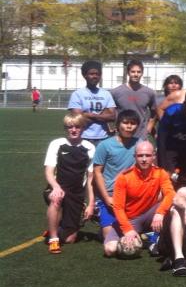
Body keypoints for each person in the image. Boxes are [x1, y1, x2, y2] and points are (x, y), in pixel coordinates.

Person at [104, 140, 176, 258]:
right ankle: (147, 238)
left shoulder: (160, 173)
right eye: (140, 155)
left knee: (174, 207)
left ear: (153, 156)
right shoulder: (124, 177)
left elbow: (171, 194)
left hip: (150, 214)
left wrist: (160, 213)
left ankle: (159, 238)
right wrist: (128, 230)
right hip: (130, 219)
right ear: (135, 157)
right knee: (110, 250)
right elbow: (118, 207)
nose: (144, 159)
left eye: (147, 155)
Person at [43, 113, 97, 253]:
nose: (73, 130)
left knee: (70, 239)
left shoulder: (90, 148)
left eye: (77, 127)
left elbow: (91, 178)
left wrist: (91, 203)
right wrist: (55, 187)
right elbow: (49, 171)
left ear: (83, 128)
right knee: (56, 198)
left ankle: (54, 228)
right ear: (65, 128)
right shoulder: (57, 144)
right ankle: (53, 239)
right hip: (57, 188)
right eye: (69, 127)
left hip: (76, 193)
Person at [92, 110, 141, 251]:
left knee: (129, 236)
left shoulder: (140, 144)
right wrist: (106, 197)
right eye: (125, 123)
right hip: (110, 197)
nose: (129, 126)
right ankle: (102, 222)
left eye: (133, 123)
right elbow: (97, 172)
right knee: (110, 243)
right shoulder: (105, 145)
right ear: (118, 125)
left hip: (131, 198)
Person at [68, 60, 116, 144]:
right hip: (83, 138)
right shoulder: (77, 94)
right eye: (91, 74)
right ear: (85, 75)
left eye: (97, 74)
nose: (95, 76)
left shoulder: (106, 94)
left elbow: (112, 116)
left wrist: (89, 114)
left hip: (103, 138)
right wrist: (102, 115)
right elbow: (78, 120)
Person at [111, 59, 157, 140]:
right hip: (121, 136)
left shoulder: (149, 92)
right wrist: (111, 126)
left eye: (139, 72)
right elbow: (109, 112)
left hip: (140, 137)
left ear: (142, 73)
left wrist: (149, 127)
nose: (136, 74)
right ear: (128, 73)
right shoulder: (116, 92)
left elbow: (154, 113)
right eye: (133, 72)